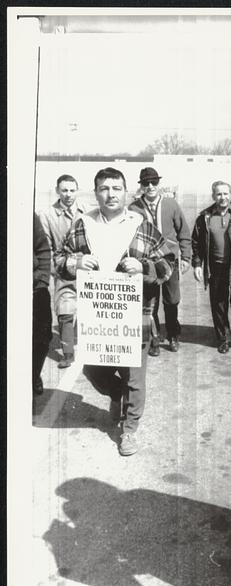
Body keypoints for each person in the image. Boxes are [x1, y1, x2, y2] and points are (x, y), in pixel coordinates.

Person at [55, 168, 175, 456]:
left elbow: (167, 265)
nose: (110, 194)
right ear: (95, 192)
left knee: (135, 378)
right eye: (104, 188)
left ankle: (129, 430)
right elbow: (59, 260)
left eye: (116, 188)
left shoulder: (141, 224)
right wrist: (75, 262)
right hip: (96, 317)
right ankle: (115, 392)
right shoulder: (83, 225)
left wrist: (144, 267)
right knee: (93, 368)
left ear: (125, 191)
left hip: (136, 317)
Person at [129, 167, 191, 356]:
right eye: (146, 183)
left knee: (172, 300)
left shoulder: (171, 204)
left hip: (170, 260)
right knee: (150, 303)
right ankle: (153, 339)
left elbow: (184, 233)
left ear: (159, 184)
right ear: (141, 185)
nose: (150, 186)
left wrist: (186, 257)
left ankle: (173, 335)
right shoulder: (134, 208)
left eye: (154, 182)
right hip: (147, 264)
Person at [191, 181, 231, 353]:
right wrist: (197, 264)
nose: (222, 197)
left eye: (226, 193)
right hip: (216, 267)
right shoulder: (204, 217)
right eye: (219, 194)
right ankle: (223, 338)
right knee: (219, 304)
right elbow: (196, 244)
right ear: (213, 196)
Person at [39, 174, 86, 368]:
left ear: (77, 190)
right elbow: (46, 247)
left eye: (72, 190)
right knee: (65, 311)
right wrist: (55, 271)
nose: (68, 194)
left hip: (89, 268)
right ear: (57, 191)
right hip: (63, 269)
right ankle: (68, 353)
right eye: (64, 190)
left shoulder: (88, 212)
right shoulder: (47, 215)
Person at [32, 212, 52, 396]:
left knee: (42, 338)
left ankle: (33, 375)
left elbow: (43, 249)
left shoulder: (27, 214)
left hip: (34, 288)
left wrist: (42, 280)